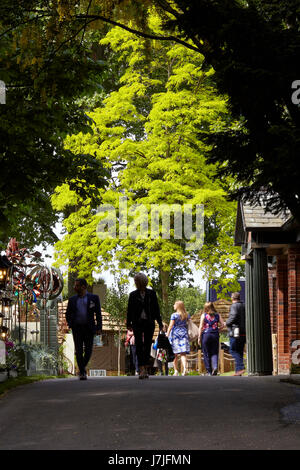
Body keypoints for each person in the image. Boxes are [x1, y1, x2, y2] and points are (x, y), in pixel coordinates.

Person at [127, 273, 163, 379]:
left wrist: (160, 323)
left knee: (147, 345)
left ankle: (145, 368)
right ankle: (141, 368)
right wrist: (128, 323)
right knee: (138, 345)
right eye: (135, 281)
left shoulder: (151, 294)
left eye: (137, 281)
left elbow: (156, 309)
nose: (135, 283)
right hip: (137, 323)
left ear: (142, 282)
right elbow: (130, 310)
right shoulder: (133, 295)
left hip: (149, 322)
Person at [66, 278, 102, 380]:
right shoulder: (72, 299)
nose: (74, 287)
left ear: (83, 287)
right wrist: (70, 323)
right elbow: (68, 314)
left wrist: (99, 327)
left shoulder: (94, 298)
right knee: (78, 350)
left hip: (89, 328)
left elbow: (98, 314)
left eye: (77, 285)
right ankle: (82, 372)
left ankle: (82, 368)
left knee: (88, 350)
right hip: (77, 328)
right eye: (74, 285)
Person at [199, 302, 226, 376]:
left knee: (206, 353)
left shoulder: (204, 315)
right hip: (215, 335)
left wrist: (199, 337)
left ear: (205, 308)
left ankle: (209, 372)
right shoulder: (217, 315)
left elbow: (201, 327)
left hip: (206, 335)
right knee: (214, 352)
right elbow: (223, 324)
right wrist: (218, 329)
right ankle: (215, 367)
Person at [166, 300, 190, 376]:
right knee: (183, 354)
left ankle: (176, 371)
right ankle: (185, 369)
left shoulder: (174, 315)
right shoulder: (186, 315)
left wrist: (167, 334)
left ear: (178, 306)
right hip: (184, 333)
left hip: (175, 334)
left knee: (175, 354)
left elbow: (170, 325)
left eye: (174, 304)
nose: (173, 306)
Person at [226, 292, 246, 376]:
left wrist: (227, 322)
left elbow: (233, 316)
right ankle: (238, 371)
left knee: (233, 350)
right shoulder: (244, 306)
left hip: (235, 332)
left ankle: (241, 367)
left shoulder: (234, 306)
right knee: (239, 352)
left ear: (232, 298)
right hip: (243, 332)